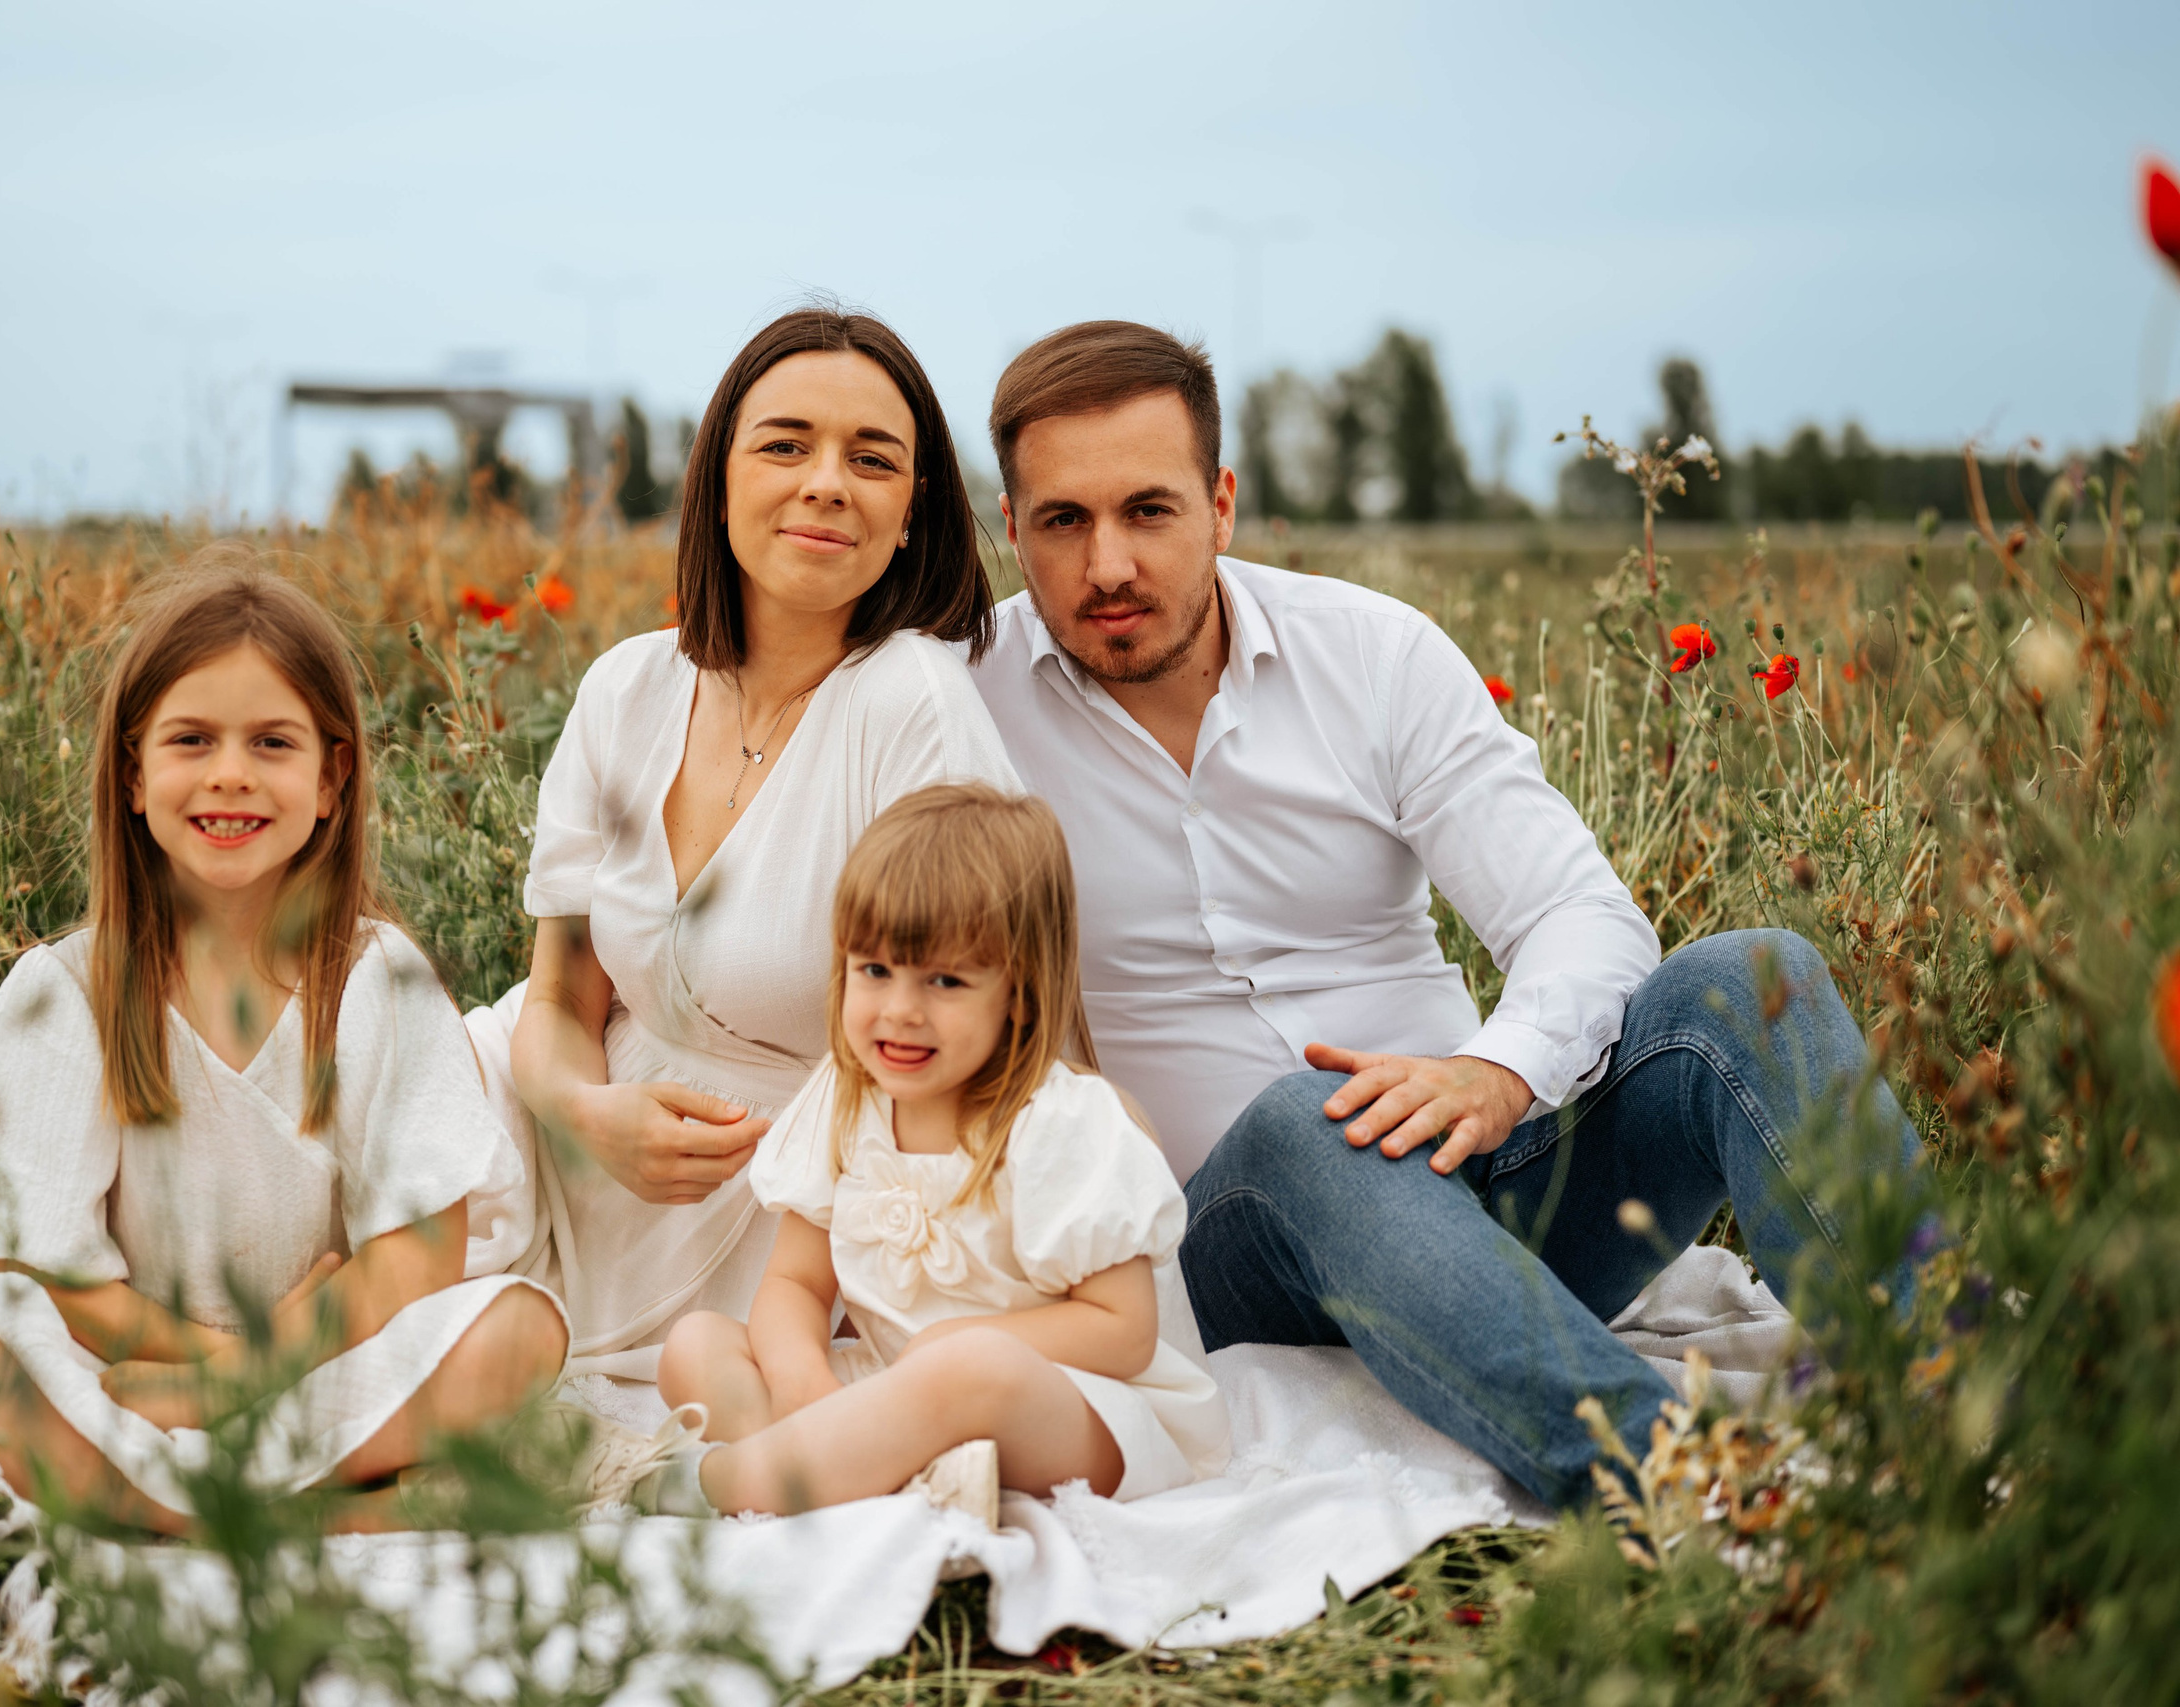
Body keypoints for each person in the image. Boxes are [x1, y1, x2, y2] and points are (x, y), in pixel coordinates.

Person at [963, 321, 1921, 1509]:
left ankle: (1942, 1397)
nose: (1108, 563)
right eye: (1064, 521)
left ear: (1219, 504)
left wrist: (1494, 1072)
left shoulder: (1369, 656)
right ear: (1011, 528)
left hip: (1490, 1180)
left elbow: (1581, 914)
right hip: (1221, 1247)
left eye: (1147, 511)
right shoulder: (961, 707)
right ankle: (1682, 1488)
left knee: (1749, 976)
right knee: (1310, 1118)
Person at [0, 555, 567, 1531]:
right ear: (133, 773)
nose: (229, 773)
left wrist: (255, 1374)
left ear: (331, 780)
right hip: (120, 1375)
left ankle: (159, 1504)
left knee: (517, 1330)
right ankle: (291, 1517)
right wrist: (210, 1368)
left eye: (271, 743)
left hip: (319, 1373)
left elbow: (419, 1256)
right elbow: (47, 1272)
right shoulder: (71, 992)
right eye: (191, 739)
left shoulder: (377, 980)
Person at [466, 308, 1023, 1381]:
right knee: (410, 1059)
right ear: (717, 481)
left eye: (872, 459)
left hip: (787, 1199)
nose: (825, 482)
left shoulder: (913, 707)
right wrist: (588, 1116)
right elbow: (554, 1000)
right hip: (584, 1131)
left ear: (911, 513)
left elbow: (975, 1049)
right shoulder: (628, 685)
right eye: (784, 444)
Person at [645, 785, 1229, 1518]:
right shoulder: (848, 1097)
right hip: (901, 1384)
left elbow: (1123, 1331)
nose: (900, 1010)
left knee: (970, 1371)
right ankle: (869, 1471)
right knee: (695, 1345)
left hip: (1079, 1408)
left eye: (945, 980)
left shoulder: (1059, 1121)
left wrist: (958, 1344)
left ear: (1018, 990)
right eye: (875, 970)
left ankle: (724, 1486)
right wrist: (802, 1383)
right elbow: (794, 1284)